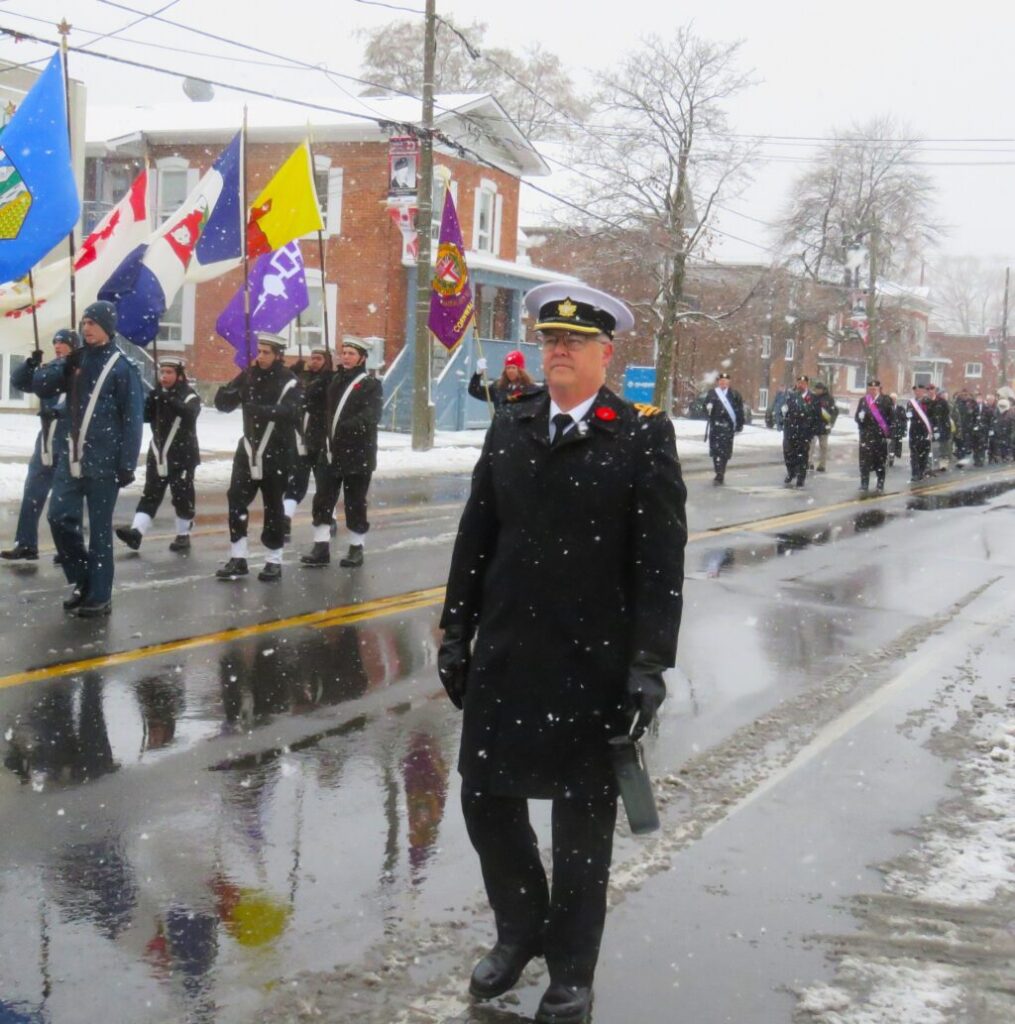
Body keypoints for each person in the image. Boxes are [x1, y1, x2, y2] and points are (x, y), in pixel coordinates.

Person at [437, 283, 686, 1024]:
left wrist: (648, 665)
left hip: (592, 661)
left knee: (581, 823)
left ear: (606, 354)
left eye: (574, 342)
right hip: (508, 652)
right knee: (485, 799)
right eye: (550, 340)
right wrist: (456, 631)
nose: (558, 351)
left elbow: (659, 564)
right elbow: (476, 534)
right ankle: (520, 931)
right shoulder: (512, 423)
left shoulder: (639, 435)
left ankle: (572, 970)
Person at [32, 301, 144, 616]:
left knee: (99, 531)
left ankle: (100, 595)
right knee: (58, 517)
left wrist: (127, 463)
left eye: (92, 323)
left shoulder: (122, 367)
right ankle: (82, 579)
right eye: (84, 323)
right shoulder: (76, 360)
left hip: (104, 462)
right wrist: (46, 367)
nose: (86, 328)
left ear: (107, 327)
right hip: (72, 457)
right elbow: (41, 387)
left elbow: (133, 419)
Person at [213, 333, 300, 582]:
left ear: (278, 355)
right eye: (259, 351)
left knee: (273, 506)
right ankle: (238, 557)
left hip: (277, 451)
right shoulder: (249, 375)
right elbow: (223, 405)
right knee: (236, 500)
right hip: (249, 450)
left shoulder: (289, 380)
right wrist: (228, 392)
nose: (260, 356)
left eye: (266, 352)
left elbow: (292, 411)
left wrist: (263, 411)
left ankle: (273, 560)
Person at [301, 338, 382, 568]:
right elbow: (313, 403)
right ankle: (321, 547)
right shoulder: (333, 380)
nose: (346, 357)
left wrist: (346, 427)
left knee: (355, 502)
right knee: (323, 498)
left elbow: (371, 415)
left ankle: (356, 547)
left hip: (358, 453)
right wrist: (317, 380)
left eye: (351, 353)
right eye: (343, 352)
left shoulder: (370, 384)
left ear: (362, 358)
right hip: (330, 451)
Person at [1, 329, 78, 561]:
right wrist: (30, 365)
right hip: (46, 439)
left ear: (73, 345)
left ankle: (69, 549)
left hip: (68, 440)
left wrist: (59, 411)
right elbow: (21, 382)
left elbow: (77, 402)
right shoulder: (51, 369)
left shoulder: (80, 369)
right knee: (33, 492)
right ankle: (25, 543)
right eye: (56, 342)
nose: (58, 346)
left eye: (63, 342)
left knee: (65, 500)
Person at [115, 358, 201, 553]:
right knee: (150, 494)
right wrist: (151, 401)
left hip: (182, 455)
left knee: (182, 496)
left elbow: (190, 414)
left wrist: (168, 399)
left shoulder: (189, 395)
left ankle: (183, 534)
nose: (164, 376)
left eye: (169, 372)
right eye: (162, 372)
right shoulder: (157, 394)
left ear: (179, 375)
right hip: (158, 452)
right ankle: (136, 532)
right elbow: (145, 417)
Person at [283, 346, 334, 538]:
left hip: (323, 442)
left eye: (319, 358)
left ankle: (330, 519)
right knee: (296, 483)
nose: (314, 361)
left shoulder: (332, 380)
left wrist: (326, 379)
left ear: (327, 361)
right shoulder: (301, 378)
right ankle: (285, 518)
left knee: (324, 486)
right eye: (312, 358)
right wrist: (293, 371)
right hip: (302, 440)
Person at [780, 375, 821, 487]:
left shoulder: (813, 398)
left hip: (804, 432)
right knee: (788, 454)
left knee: (802, 456)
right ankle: (791, 472)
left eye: (803, 383)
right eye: (799, 383)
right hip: (790, 431)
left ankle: (801, 477)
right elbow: (785, 411)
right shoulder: (791, 396)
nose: (800, 385)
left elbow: (817, 416)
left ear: (807, 384)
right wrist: (783, 414)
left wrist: (813, 431)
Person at [704, 371, 744, 484]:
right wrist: (708, 409)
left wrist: (740, 424)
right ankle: (718, 471)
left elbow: (739, 410)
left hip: (728, 428)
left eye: (725, 381)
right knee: (715, 451)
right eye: (721, 381)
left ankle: (721, 472)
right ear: (718, 382)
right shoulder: (712, 393)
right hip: (715, 427)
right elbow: (705, 407)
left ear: (729, 382)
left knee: (725, 451)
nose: (723, 383)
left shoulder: (735, 395)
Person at [854, 379, 893, 493]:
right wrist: (860, 418)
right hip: (866, 436)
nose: (872, 391)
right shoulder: (863, 401)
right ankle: (864, 484)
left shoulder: (886, 400)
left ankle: (880, 484)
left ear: (879, 389)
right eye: (870, 389)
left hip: (880, 437)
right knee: (864, 462)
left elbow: (891, 418)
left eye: (875, 389)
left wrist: (890, 434)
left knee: (880, 462)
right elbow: (856, 417)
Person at [468, 350, 540, 409]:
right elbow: (474, 391)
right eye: (508, 368)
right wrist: (478, 373)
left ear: (520, 370)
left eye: (513, 368)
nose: (510, 371)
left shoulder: (530, 390)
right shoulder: (498, 387)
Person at [807, 380, 838, 472]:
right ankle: (809, 462)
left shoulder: (829, 398)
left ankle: (822, 465)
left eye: (818, 389)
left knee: (823, 447)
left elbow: (834, 411)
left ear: (822, 389)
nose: (817, 391)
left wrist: (831, 422)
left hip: (824, 425)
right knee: (810, 446)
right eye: (816, 389)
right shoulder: (812, 397)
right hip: (813, 425)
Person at [906, 382, 933, 482]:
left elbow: (932, 416)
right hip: (914, 430)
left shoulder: (928, 401)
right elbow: (908, 414)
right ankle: (915, 473)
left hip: (925, 430)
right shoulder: (910, 402)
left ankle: (921, 471)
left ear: (923, 391)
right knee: (914, 453)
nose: (917, 392)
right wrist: (908, 414)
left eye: (919, 390)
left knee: (924, 453)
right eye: (916, 391)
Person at [889, 392, 907, 467]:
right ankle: (891, 458)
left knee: (898, 445)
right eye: (891, 399)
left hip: (898, 430)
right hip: (890, 430)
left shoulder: (901, 408)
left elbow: (904, 419)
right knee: (891, 444)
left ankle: (895, 454)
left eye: (894, 399)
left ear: (896, 399)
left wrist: (904, 429)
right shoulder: (887, 408)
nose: (893, 400)